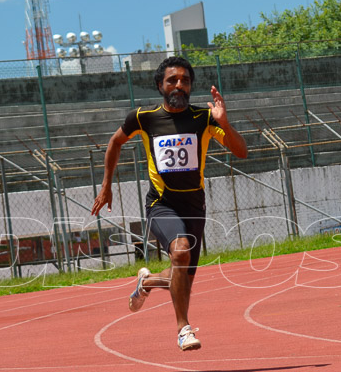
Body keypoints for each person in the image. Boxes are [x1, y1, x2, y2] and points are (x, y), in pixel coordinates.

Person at [91, 56, 247, 351]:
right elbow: (115, 142)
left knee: (183, 276)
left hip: (194, 207)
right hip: (161, 204)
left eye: (185, 81)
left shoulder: (205, 119)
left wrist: (224, 121)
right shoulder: (143, 118)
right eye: (172, 80)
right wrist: (107, 184)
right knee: (181, 252)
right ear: (160, 85)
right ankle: (183, 329)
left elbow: (241, 152)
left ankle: (147, 282)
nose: (179, 85)